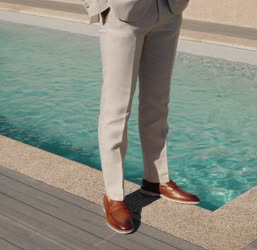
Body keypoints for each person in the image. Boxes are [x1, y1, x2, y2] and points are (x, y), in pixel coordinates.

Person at [82, 0, 200, 234]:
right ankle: (114, 195)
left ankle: (156, 180)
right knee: (117, 108)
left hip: (169, 9)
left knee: (158, 100)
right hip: (123, 10)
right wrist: (98, 5)